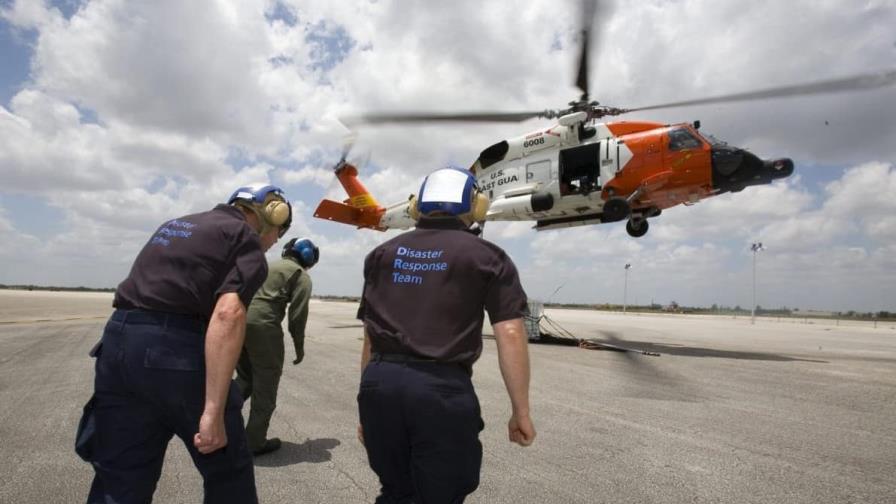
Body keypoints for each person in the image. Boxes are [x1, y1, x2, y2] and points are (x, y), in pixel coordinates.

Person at [76, 184, 292, 504]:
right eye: (279, 233)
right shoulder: (242, 236)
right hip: (175, 354)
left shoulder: (176, 224)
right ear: (271, 214)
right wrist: (212, 412)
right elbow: (228, 314)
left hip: (118, 344)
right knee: (229, 474)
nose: (274, 243)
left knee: (120, 478)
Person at [356, 167, 536, 503]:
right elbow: (510, 332)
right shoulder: (488, 257)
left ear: (416, 207)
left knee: (395, 491)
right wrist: (520, 410)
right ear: (477, 205)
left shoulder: (381, 255)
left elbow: (370, 337)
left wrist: (367, 404)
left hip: (380, 386)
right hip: (440, 391)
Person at [235, 237, 319, 456]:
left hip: (238, 322)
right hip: (264, 328)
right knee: (266, 387)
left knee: (244, 379)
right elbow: (297, 317)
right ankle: (254, 442)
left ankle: (216, 422)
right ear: (309, 258)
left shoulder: (267, 265)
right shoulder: (301, 275)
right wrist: (299, 347)